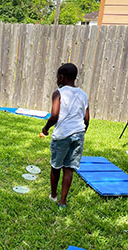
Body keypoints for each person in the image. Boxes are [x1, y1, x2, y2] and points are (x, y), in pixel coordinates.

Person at [41, 63, 90, 208]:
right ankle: (63, 202)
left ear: (61, 77)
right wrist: (82, 131)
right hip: (78, 134)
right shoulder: (83, 94)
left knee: (56, 167)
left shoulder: (58, 93)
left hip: (62, 135)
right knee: (69, 168)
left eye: (57, 77)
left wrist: (46, 128)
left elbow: (54, 116)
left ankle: (54, 195)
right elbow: (87, 119)